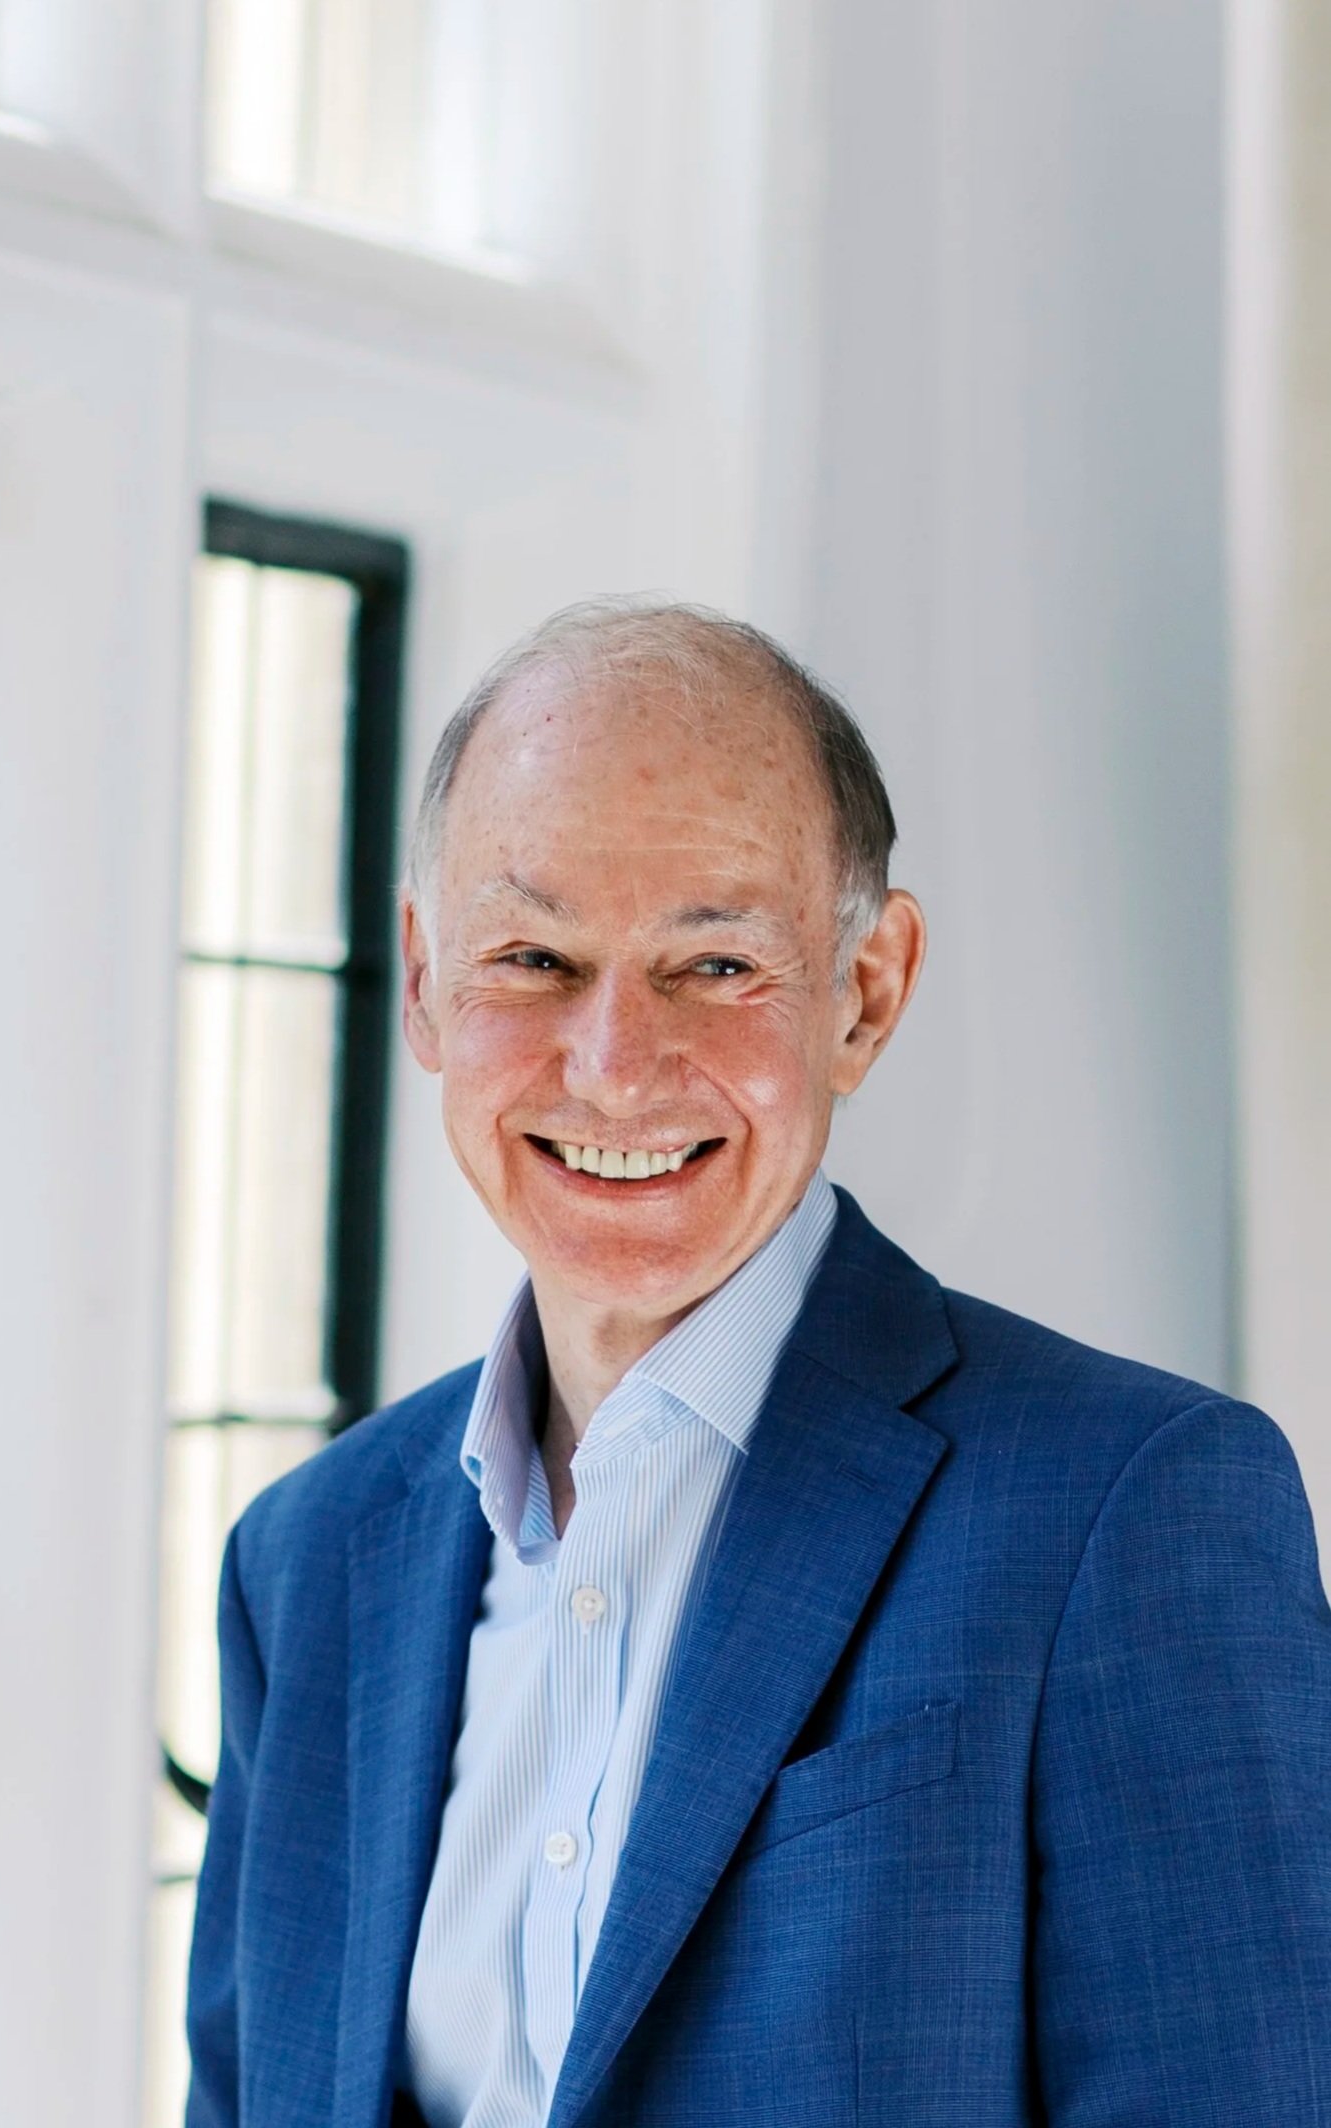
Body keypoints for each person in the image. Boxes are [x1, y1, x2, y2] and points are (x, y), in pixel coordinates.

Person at [185, 599, 1331, 2128]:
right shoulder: (304, 1564)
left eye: (713, 966)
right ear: (419, 982)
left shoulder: (1134, 1511)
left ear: (863, 993)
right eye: (531, 956)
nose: (610, 1063)